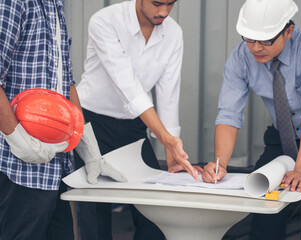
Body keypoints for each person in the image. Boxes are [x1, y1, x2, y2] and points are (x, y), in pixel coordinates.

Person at [202, 0, 301, 240]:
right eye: (249, 39)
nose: (256, 48)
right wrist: (220, 165)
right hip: (283, 136)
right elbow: (229, 114)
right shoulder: (241, 57)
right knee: (264, 208)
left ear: (288, 31)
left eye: (265, 40)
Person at [74, 0, 200, 239]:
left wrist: (172, 152)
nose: (163, 11)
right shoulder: (105, 21)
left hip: (134, 125)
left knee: (153, 210)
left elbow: (168, 93)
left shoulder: (173, 33)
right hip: (91, 125)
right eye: (157, 3)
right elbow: (127, 86)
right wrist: (165, 138)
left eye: (170, 4)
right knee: (95, 213)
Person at [0, 1, 125, 239]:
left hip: (55, 168)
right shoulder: (15, 3)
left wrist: (87, 147)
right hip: (20, 170)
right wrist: (18, 140)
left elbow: (66, 83)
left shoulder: (55, 5)